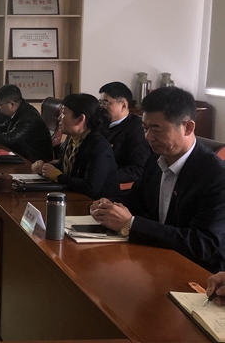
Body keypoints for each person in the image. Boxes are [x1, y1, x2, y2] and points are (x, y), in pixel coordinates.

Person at [90, 87, 225, 273]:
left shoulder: (216, 176)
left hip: (198, 272)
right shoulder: (156, 157)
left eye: (156, 129)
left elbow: (201, 243)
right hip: (157, 258)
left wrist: (131, 225)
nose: (148, 137)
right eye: (145, 128)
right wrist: (108, 205)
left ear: (188, 127)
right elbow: (137, 198)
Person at [31, 93, 119, 199]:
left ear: (80, 119)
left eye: (63, 113)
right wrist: (44, 167)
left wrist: (58, 176)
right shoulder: (72, 138)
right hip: (73, 196)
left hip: (97, 203)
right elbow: (64, 166)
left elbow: (90, 187)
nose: (59, 118)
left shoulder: (98, 146)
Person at [0, 84, 53, 162]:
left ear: (11, 104)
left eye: (0, 105)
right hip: (20, 154)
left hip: (33, 161)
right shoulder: (18, 110)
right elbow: (3, 127)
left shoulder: (29, 117)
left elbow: (11, 138)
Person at [98, 82, 151, 184]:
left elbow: (138, 169)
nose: (101, 107)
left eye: (105, 103)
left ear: (123, 105)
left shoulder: (138, 129)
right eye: (100, 102)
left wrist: (102, 177)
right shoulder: (100, 124)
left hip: (117, 185)